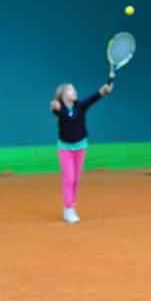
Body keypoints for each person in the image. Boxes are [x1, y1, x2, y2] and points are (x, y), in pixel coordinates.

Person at [50, 82, 113, 223]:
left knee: (76, 180)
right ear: (63, 94)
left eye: (74, 88)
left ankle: (71, 206)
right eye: (70, 89)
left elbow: (94, 98)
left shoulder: (80, 105)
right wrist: (56, 107)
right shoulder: (59, 107)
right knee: (69, 178)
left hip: (81, 146)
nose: (74, 91)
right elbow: (58, 111)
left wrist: (103, 91)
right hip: (65, 147)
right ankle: (68, 209)